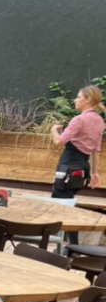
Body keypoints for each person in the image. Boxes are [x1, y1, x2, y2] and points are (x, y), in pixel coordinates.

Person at [50, 85, 104, 245]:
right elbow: (96, 150)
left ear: (88, 99)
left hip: (68, 168)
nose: (75, 100)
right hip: (82, 169)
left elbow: (59, 142)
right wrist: (94, 172)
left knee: (61, 205)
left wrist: (53, 130)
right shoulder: (99, 121)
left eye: (79, 97)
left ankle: (71, 247)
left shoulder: (79, 120)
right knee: (65, 203)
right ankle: (67, 246)